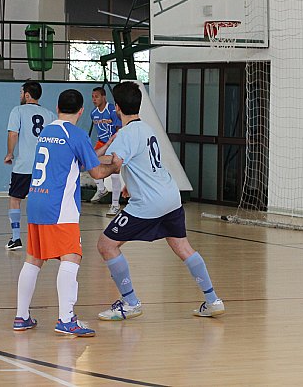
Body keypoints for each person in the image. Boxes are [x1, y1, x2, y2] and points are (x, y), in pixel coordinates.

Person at [96, 81, 226, 320]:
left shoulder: (125, 134)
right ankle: (212, 299)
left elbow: (113, 166)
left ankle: (131, 302)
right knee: (182, 246)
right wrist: (129, 183)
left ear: (117, 108)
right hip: (171, 196)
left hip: (150, 202)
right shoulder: (147, 129)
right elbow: (145, 162)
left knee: (106, 245)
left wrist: (94, 163)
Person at [13, 89, 122, 337]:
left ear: (58, 107)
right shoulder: (77, 134)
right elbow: (95, 173)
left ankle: (22, 316)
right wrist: (114, 166)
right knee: (71, 256)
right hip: (59, 207)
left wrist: (106, 146)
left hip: (36, 201)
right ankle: (66, 319)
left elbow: (79, 158)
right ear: (81, 111)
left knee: (34, 258)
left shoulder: (48, 131)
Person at [4, 81, 57, 251]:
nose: (20, 95)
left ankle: (16, 238)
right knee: (43, 201)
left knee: (15, 199)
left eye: (21, 92)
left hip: (24, 165)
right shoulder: (49, 115)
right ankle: (46, 239)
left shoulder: (18, 110)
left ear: (27, 95)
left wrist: (10, 153)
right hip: (44, 166)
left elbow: (13, 134)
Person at [89, 86, 123, 216]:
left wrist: (115, 144)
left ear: (104, 97)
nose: (94, 99)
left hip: (114, 142)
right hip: (102, 142)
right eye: (92, 97)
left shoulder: (112, 110)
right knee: (89, 160)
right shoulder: (93, 113)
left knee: (115, 173)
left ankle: (115, 204)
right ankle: (101, 188)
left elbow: (119, 128)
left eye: (96, 96)